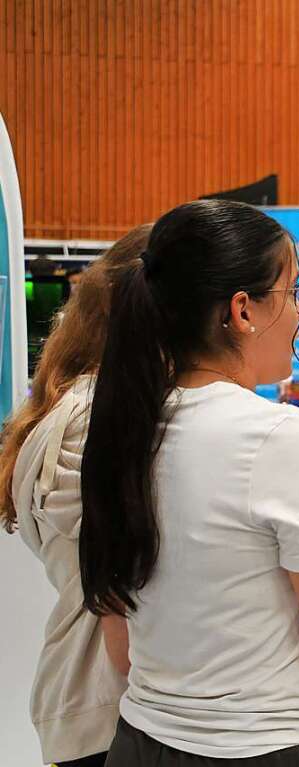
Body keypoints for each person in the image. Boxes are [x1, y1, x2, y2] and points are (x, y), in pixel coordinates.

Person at [77, 199, 299, 766]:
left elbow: (123, 653)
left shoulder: (127, 427)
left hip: (141, 744)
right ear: (242, 311)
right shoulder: (276, 435)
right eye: (292, 292)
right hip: (267, 750)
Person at [0, 225, 150, 767]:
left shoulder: (75, 405)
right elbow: (116, 575)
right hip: (108, 706)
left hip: (86, 700)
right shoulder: (102, 418)